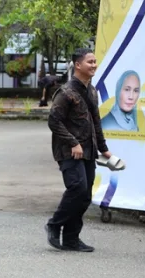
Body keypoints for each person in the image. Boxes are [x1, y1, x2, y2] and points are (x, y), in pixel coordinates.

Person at [45, 49, 112, 252]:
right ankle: (54, 225)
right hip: (68, 151)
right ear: (78, 65)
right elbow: (53, 121)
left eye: (95, 62)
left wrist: (104, 149)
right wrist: (73, 142)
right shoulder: (66, 92)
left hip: (89, 151)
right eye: (90, 62)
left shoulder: (92, 91)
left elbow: (96, 122)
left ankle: (72, 238)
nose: (94, 65)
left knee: (85, 196)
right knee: (77, 188)